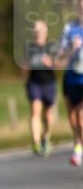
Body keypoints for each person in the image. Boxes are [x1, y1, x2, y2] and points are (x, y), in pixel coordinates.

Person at [24, 20, 58, 157]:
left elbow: (58, 64)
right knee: (35, 109)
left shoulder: (52, 47)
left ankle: (46, 136)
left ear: (45, 32)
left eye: (40, 30)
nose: (37, 32)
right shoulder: (29, 47)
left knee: (48, 115)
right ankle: (36, 142)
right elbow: (24, 66)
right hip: (34, 82)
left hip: (49, 82)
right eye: (35, 30)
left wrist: (49, 62)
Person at [58, 0, 83, 167]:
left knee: (81, 118)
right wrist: (71, 48)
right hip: (70, 77)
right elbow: (60, 55)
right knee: (73, 119)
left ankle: (78, 151)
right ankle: (78, 147)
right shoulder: (70, 28)